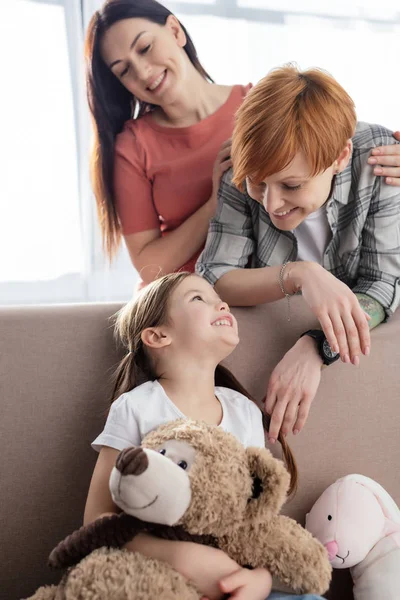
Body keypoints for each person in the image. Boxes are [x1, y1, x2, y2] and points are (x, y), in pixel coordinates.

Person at [85, 0, 400, 287]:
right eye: (123, 70)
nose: (142, 71)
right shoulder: (133, 146)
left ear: (175, 30)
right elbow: (149, 266)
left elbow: (332, 136)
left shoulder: (254, 103)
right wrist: (214, 203)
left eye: (145, 48)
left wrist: (390, 149)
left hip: (268, 288)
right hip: (192, 298)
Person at [84, 271, 322, 600]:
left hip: (235, 581)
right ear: (157, 335)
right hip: (159, 580)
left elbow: (258, 520)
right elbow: (96, 518)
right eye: (199, 298)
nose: (221, 303)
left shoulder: (245, 411)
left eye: (217, 298)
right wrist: (181, 557)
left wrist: (261, 580)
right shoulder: (135, 408)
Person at [196, 65, 400, 444]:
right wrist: (301, 274)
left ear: (340, 157)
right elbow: (215, 279)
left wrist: (315, 347)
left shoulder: (383, 162)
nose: (271, 204)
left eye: (291, 185)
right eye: (258, 184)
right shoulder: (241, 170)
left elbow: (381, 284)